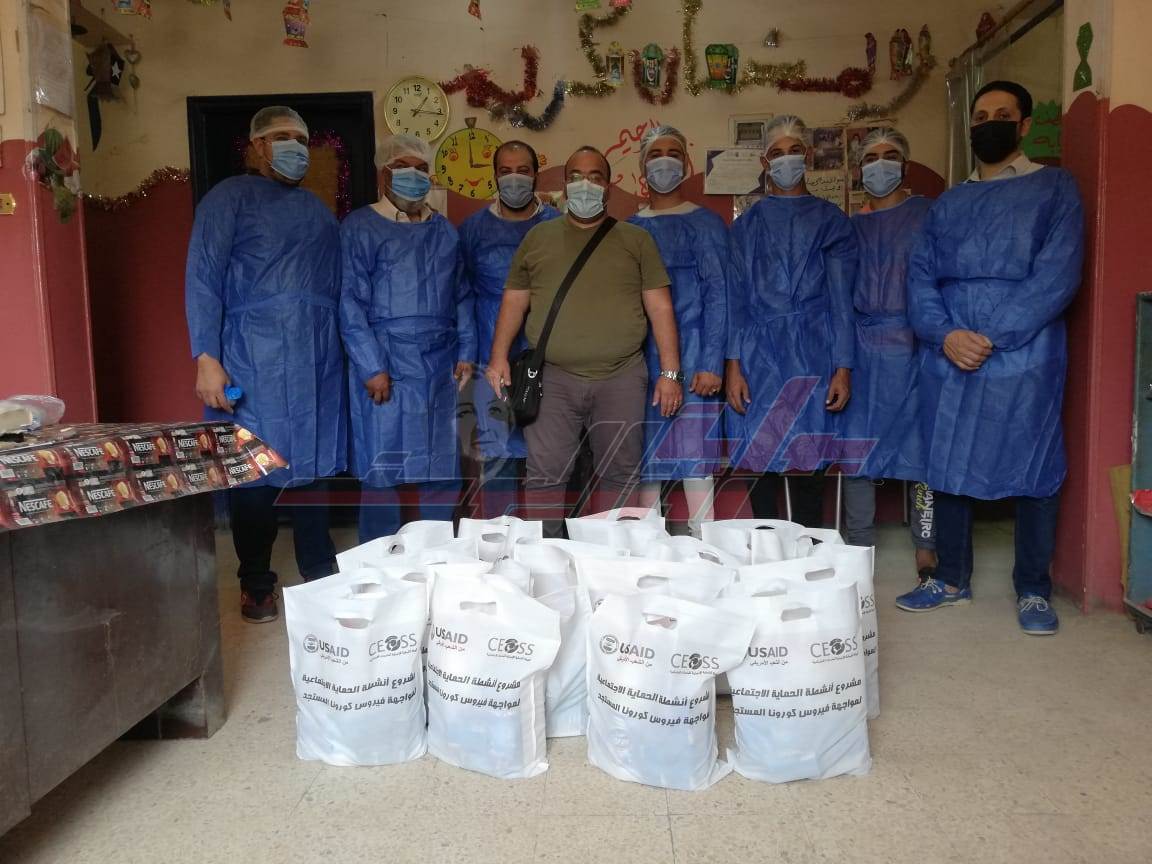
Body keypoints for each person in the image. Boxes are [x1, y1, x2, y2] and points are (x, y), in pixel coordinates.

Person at [898, 80, 1084, 635]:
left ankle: (1033, 589)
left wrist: (992, 335)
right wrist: (946, 334)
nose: (989, 124)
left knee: (1034, 465)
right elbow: (920, 276)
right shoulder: (949, 202)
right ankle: (950, 579)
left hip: (1025, 351)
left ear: (1024, 125)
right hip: (951, 348)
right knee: (948, 462)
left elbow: (1058, 273)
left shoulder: (1054, 188)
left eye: (1002, 114)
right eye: (980, 116)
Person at [185, 105, 346, 624]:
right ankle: (256, 581)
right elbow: (203, 278)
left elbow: (337, 285)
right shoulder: (228, 199)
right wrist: (206, 357)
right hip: (251, 358)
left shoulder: (316, 209)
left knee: (312, 467)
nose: (294, 147)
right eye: (281, 137)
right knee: (254, 471)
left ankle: (319, 571)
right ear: (257, 147)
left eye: (300, 138)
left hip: (315, 358)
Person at [485, 146, 682, 535]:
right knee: (545, 473)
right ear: (564, 184)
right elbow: (515, 300)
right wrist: (498, 358)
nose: (585, 185)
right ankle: (546, 558)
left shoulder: (636, 240)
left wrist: (670, 373)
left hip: (621, 376)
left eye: (595, 177)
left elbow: (660, 308)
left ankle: (612, 558)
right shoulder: (538, 238)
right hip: (553, 379)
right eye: (576, 176)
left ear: (608, 186)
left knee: (620, 473)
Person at [340, 134, 475, 542]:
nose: (413, 175)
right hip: (387, 361)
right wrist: (371, 366)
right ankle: (377, 561)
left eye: (420, 168)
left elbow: (462, 295)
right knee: (383, 466)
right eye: (402, 167)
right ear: (384, 174)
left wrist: (467, 351)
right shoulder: (360, 227)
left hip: (440, 363)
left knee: (441, 464)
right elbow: (349, 302)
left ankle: (436, 555)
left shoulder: (445, 232)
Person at [726, 115, 857, 528]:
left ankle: (810, 544)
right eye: (777, 153)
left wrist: (843, 367)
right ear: (765, 162)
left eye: (794, 151)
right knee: (760, 448)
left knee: (809, 449)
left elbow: (842, 301)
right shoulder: (746, 226)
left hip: (814, 347)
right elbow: (735, 301)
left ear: (809, 155)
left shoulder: (831, 221)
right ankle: (766, 542)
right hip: (757, 353)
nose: (786, 160)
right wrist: (733, 366)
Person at [839, 128, 937, 576]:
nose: (880, 165)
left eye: (890, 156)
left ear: (905, 164)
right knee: (856, 450)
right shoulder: (850, 228)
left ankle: (926, 544)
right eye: (871, 158)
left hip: (915, 346)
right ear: (859, 170)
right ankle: (860, 544)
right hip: (861, 348)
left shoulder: (928, 216)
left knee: (921, 452)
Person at [626, 126, 727, 536]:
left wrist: (711, 361)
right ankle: (650, 546)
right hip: (639, 358)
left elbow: (719, 293)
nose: (663, 161)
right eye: (655, 154)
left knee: (694, 454)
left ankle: (705, 545)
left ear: (686, 163)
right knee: (646, 458)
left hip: (696, 352)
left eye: (672, 153)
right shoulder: (629, 228)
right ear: (642, 166)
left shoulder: (705, 224)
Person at [458, 140, 560, 518]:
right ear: (494, 177)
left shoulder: (558, 225)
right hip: (491, 353)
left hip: (549, 351)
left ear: (536, 175)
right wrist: (469, 355)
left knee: (549, 450)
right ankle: (499, 536)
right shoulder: (472, 230)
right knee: (496, 450)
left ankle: (547, 537)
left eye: (522, 170)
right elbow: (462, 293)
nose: (514, 178)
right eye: (505, 171)